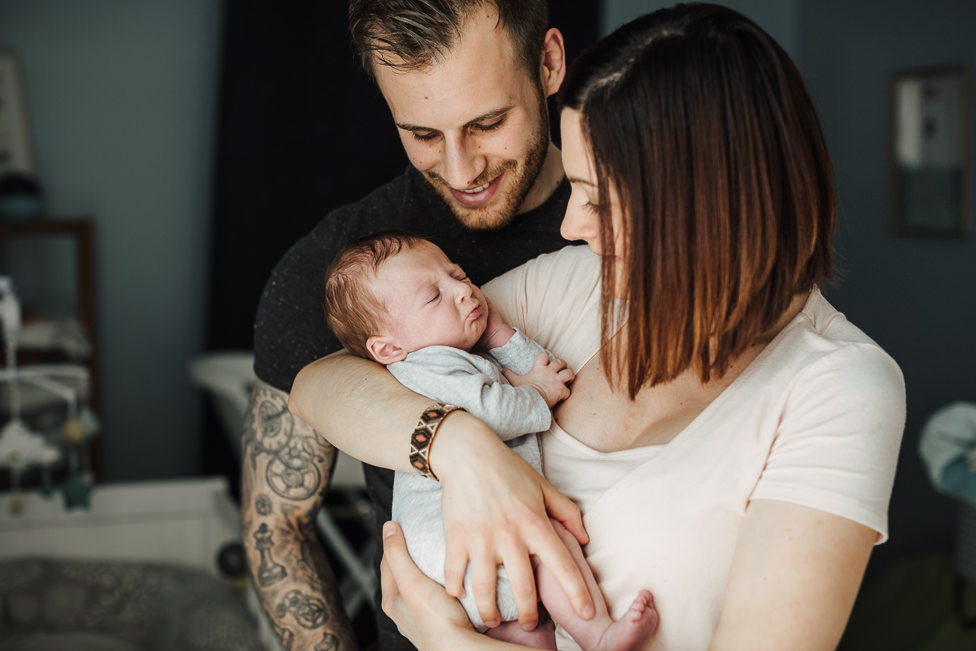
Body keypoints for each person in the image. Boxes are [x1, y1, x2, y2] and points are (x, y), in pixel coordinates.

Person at [291, 4, 907, 650]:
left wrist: (454, 645)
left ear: (702, 205)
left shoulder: (839, 387)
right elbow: (326, 381)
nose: (571, 225)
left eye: (598, 199)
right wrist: (457, 445)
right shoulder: (581, 284)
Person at [241, 1, 594, 649]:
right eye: (423, 134)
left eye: (487, 123)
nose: (461, 172)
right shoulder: (339, 272)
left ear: (548, 63)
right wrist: (459, 443)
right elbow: (278, 526)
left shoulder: (626, 220)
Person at [322, 231, 657, 650]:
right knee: (548, 541)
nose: (462, 291)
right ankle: (597, 633)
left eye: (457, 274)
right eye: (433, 297)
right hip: (454, 537)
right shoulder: (426, 367)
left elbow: (537, 367)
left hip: (451, 565)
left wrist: (500, 335)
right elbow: (493, 412)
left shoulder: (455, 353)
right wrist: (537, 393)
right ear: (388, 347)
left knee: (523, 627)